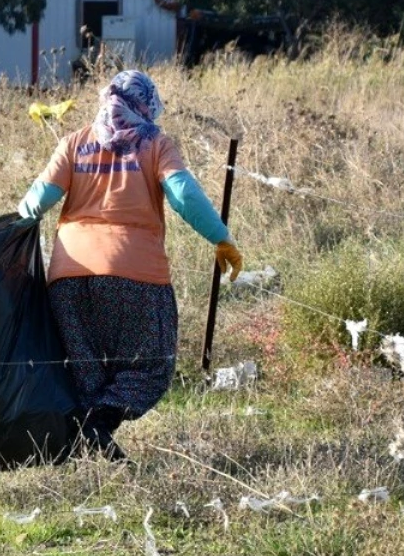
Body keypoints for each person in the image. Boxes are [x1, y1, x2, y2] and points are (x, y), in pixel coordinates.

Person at [16, 69, 243, 460]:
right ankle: (98, 427)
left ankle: (92, 446)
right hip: (136, 275)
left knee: (86, 371)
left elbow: (34, 204)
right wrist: (221, 238)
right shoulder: (155, 144)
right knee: (152, 364)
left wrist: (0, 247)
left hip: (68, 278)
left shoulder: (75, 143)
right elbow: (183, 196)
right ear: (146, 104)